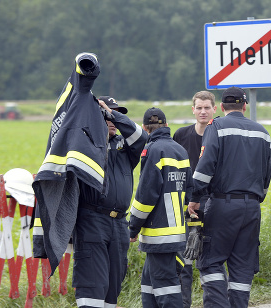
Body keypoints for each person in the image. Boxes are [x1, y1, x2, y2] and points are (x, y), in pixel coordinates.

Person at [188, 86, 271, 308]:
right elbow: (266, 177)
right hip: (252, 208)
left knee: (211, 262)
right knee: (243, 266)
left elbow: (204, 169)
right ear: (244, 106)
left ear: (222, 107)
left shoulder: (216, 127)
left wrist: (195, 197)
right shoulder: (262, 132)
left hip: (222, 205)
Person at [72, 96, 148, 307]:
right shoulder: (84, 146)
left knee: (113, 286)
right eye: (106, 114)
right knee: (92, 285)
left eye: (115, 114)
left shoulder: (125, 148)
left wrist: (112, 114)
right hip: (92, 220)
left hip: (119, 225)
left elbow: (142, 138)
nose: (112, 119)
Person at [129, 107, 193, 308]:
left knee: (166, 288)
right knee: (148, 284)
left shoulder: (152, 150)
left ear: (144, 128)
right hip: (177, 231)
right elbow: (190, 189)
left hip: (159, 232)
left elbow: (146, 195)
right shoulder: (180, 150)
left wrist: (133, 227)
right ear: (166, 125)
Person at [173, 90, 217, 308]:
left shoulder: (218, 135)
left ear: (214, 109)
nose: (202, 111)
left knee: (209, 261)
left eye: (206, 107)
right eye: (199, 107)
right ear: (193, 110)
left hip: (211, 206)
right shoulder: (181, 135)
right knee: (185, 261)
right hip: (184, 206)